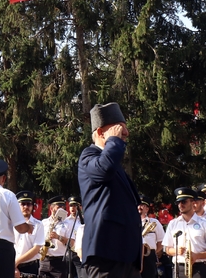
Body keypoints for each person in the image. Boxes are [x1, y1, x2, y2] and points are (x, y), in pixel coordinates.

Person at [77, 102, 142, 278]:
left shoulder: (114, 164)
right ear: (100, 132)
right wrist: (113, 140)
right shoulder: (89, 156)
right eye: (119, 128)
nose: (126, 133)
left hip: (126, 256)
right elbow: (103, 170)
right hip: (106, 253)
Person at [161, 187, 206, 278]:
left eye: (184, 202)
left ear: (193, 203)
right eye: (178, 202)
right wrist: (176, 251)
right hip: (179, 269)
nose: (180, 205)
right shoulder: (173, 224)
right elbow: (167, 249)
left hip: (200, 268)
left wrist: (197, 256)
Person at [14, 191, 46, 277]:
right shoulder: (11, 224)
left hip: (30, 267)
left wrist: (16, 262)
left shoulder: (38, 224)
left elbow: (36, 249)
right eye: (23, 204)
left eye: (28, 204)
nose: (26, 207)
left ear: (32, 206)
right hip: (12, 266)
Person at [40, 195, 71, 278]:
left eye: (63, 206)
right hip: (44, 260)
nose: (62, 209)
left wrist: (58, 237)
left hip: (59, 261)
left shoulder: (67, 223)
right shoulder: (44, 222)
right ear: (51, 208)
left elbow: (72, 243)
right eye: (59, 206)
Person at [138, 194, 165, 278]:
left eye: (142, 205)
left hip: (149, 257)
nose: (139, 207)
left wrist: (151, 252)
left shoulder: (154, 222)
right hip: (134, 256)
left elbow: (161, 241)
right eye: (138, 205)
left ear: (147, 208)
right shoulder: (130, 222)